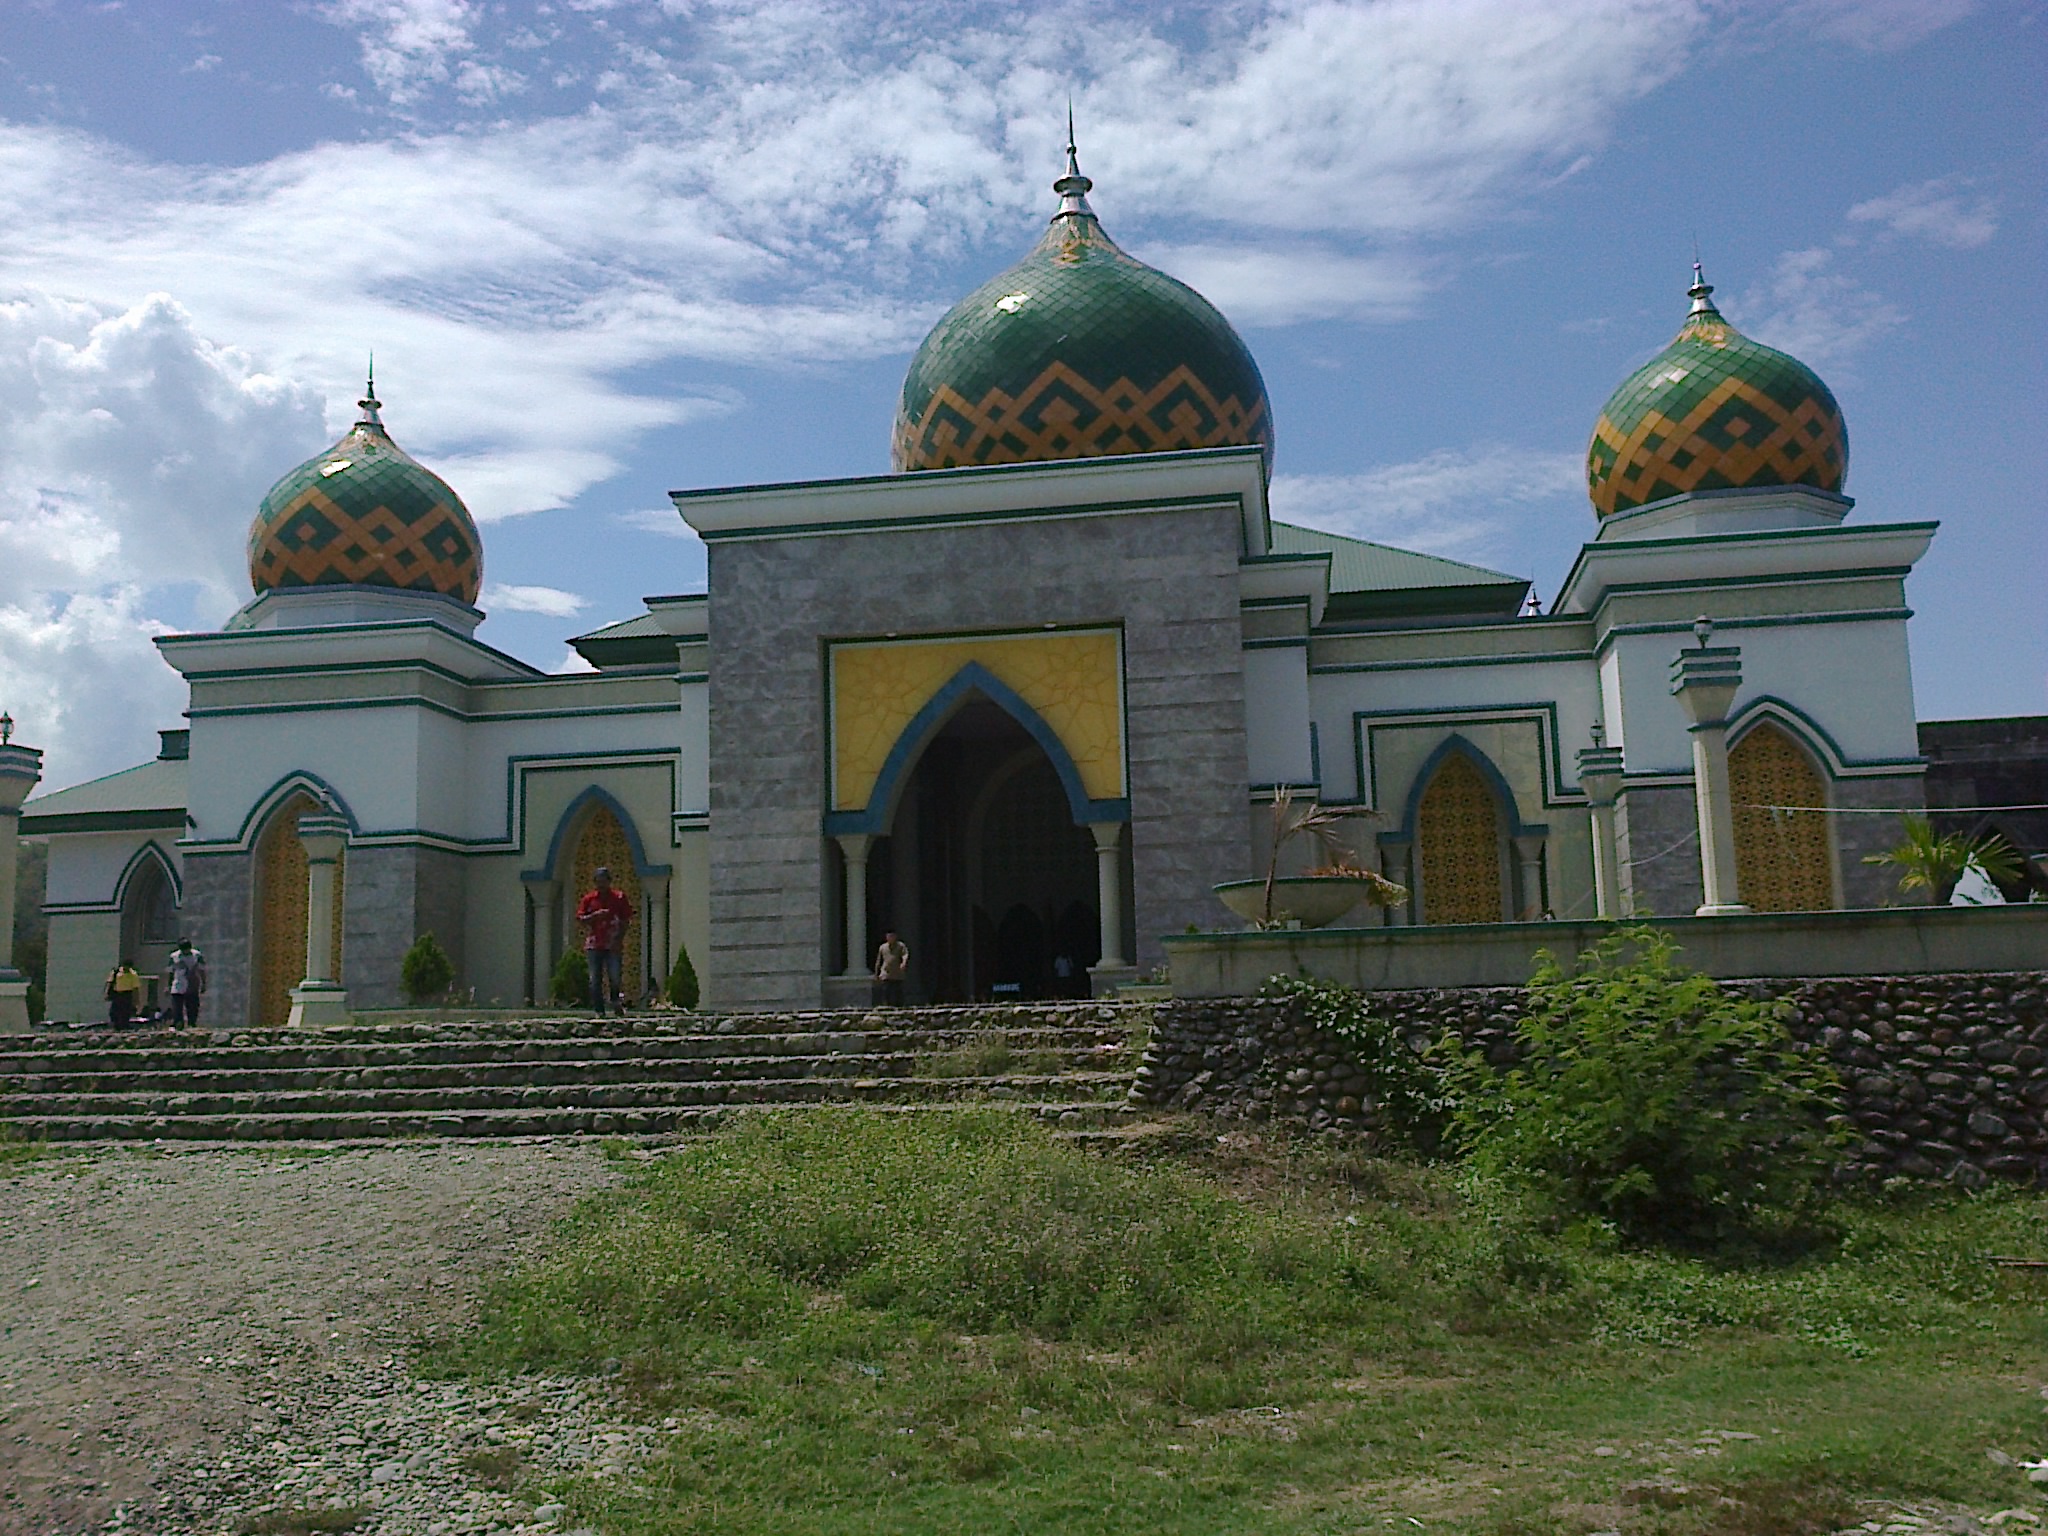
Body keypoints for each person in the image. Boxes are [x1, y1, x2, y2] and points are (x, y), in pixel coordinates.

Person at [575, 866, 634, 1016]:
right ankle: (599, 1010)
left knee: (614, 976)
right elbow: (581, 918)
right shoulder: (589, 899)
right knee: (595, 978)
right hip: (595, 944)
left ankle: (615, 1001)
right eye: (598, 881)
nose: (601, 885)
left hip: (612, 943)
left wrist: (618, 939)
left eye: (604, 881)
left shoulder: (619, 898)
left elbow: (626, 919)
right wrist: (595, 916)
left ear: (609, 881)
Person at [166, 938, 206, 1026]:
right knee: (177, 1007)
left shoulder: (197, 955)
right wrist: (168, 985)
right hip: (178, 984)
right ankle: (178, 1024)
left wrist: (204, 983)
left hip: (192, 984)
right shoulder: (174, 956)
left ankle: (192, 1023)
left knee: (192, 1007)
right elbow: (170, 971)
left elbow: (202, 970)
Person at [874, 929, 909, 1007]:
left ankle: (899, 1006)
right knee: (886, 990)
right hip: (886, 972)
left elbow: (905, 955)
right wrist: (877, 973)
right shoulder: (883, 947)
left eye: (892, 936)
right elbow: (879, 960)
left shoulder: (900, 946)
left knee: (897, 990)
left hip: (897, 973)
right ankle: (886, 1005)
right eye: (889, 936)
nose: (890, 938)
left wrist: (903, 963)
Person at [105, 959, 143, 1028]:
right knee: (114, 1011)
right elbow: (110, 983)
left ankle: (124, 1025)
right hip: (117, 994)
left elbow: (135, 988)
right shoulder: (116, 972)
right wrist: (107, 993)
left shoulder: (133, 974)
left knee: (126, 1011)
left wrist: (136, 1000)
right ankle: (115, 1025)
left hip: (127, 994)